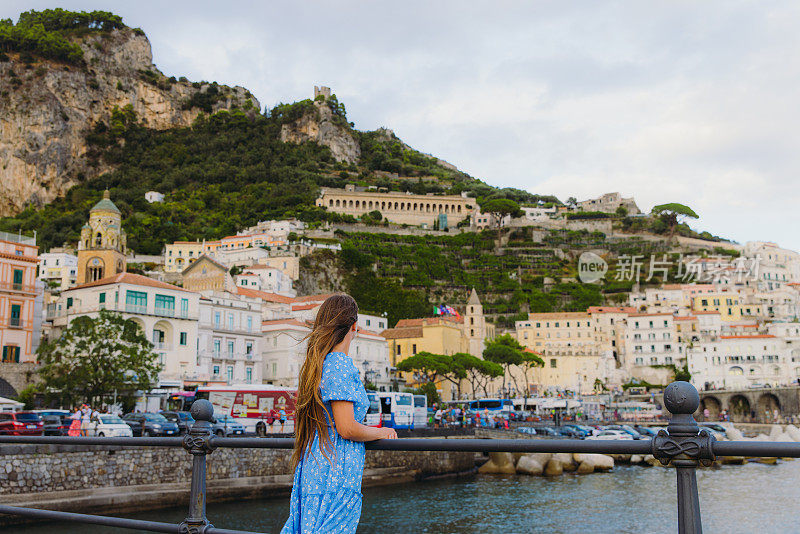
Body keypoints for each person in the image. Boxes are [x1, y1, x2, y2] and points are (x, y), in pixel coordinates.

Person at [281, 294, 397, 534]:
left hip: (315, 467)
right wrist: (381, 431)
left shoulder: (319, 364)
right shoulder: (339, 365)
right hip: (336, 472)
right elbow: (347, 428)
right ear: (354, 325)